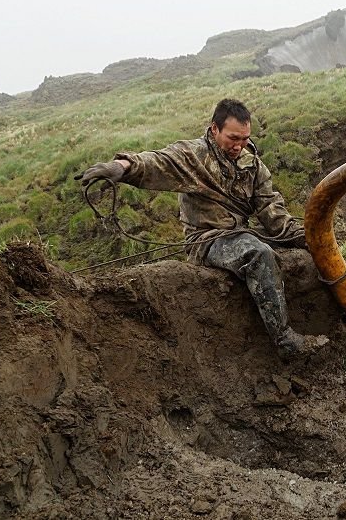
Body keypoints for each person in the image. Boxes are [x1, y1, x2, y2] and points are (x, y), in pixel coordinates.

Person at [75, 98, 322, 360]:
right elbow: (158, 161)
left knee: (292, 247)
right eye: (233, 138)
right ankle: (284, 340)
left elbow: (271, 210)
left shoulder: (253, 165)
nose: (238, 145)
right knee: (259, 254)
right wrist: (121, 166)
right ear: (215, 129)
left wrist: (307, 237)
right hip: (206, 240)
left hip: (241, 233)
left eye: (244, 139)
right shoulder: (192, 156)